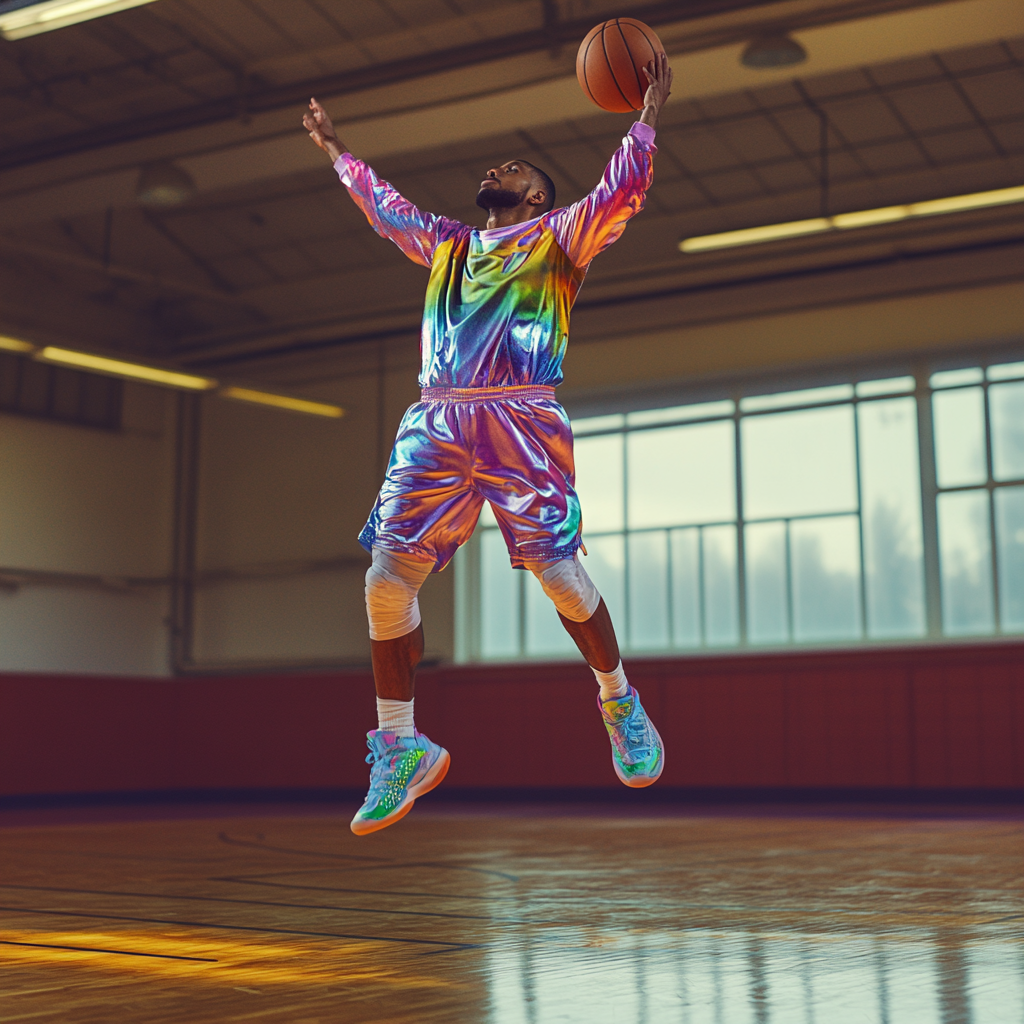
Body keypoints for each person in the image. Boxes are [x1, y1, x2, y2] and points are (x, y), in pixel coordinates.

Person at [303, 53, 674, 835]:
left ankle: (618, 700)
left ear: (537, 194)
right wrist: (340, 155)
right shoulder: (444, 244)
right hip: (436, 420)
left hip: (521, 416)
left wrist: (645, 116)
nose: (496, 166)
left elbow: (622, 192)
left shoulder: (560, 235)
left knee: (557, 573)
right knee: (382, 581)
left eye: (515, 166)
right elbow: (386, 207)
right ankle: (401, 746)